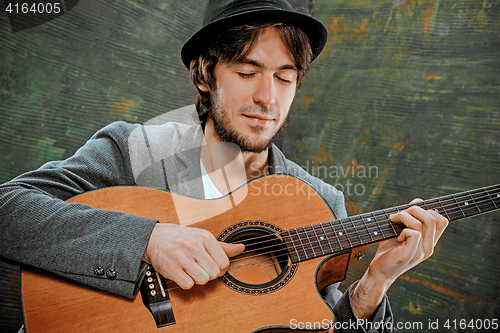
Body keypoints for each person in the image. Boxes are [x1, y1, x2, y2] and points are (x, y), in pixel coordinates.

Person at [0, 0, 448, 332]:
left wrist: (373, 287)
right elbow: (8, 210)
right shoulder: (136, 148)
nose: (267, 99)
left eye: (285, 77)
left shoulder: (321, 202)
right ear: (205, 74)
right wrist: (147, 240)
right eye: (248, 73)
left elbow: (321, 322)